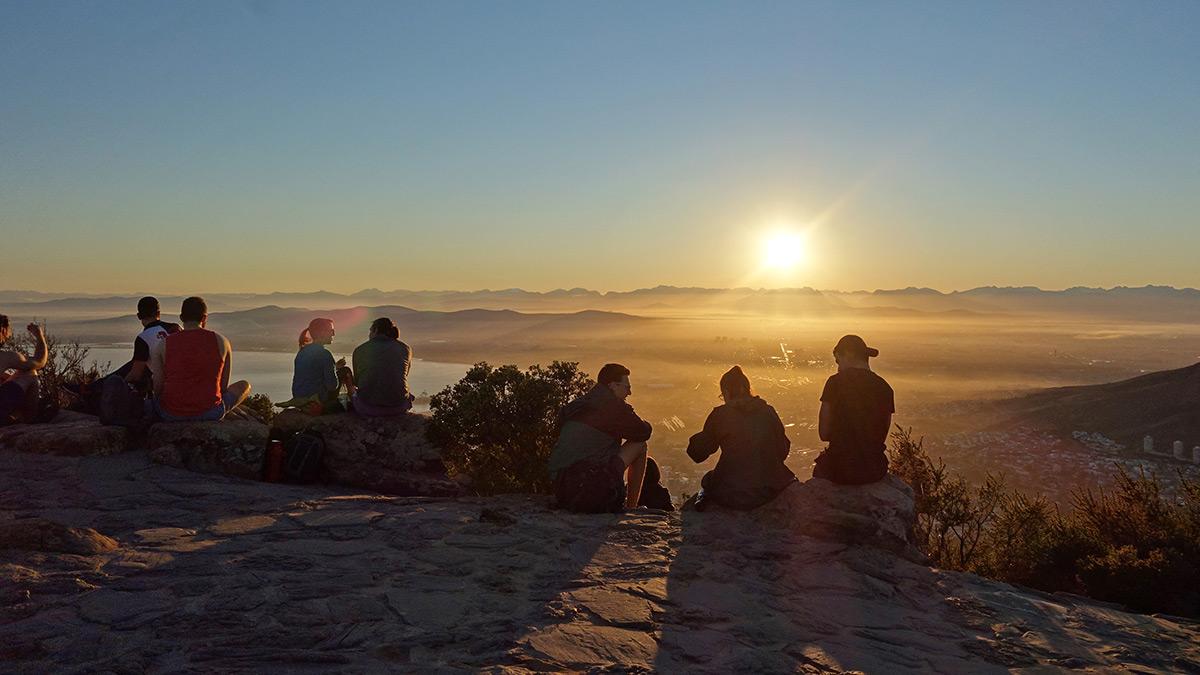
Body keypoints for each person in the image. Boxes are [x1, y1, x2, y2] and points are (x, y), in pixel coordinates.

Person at [685, 365, 796, 510]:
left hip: (731, 491)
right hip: (768, 489)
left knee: (709, 480)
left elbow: (697, 454)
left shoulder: (721, 415)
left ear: (726, 392)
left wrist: (701, 436)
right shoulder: (768, 412)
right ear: (748, 389)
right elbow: (782, 450)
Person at [548, 363, 652, 513]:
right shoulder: (612, 407)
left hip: (561, 487)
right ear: (613, 385)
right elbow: (643, 432)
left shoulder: (577, 404)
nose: (629, 392)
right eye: (626, 387)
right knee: (640, 445)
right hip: (590, 488)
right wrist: (644, 422)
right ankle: (632, 507)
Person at [149, 297, 252, 422]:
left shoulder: (163, 344)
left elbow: (158, 385)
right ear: (204, 318)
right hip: (211, 413)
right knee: (244, 385)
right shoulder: (222, 342)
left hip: (170, 413)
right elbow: (223, 387)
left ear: (181, 318)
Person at [813, 334, 894, 485]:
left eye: (838, 360)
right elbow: (881, 435)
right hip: (874, 469)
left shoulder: (834, 383)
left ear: (848, 354)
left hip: (838, 469)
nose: (838, 367)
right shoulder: (885, 388)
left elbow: (824, 433)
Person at [114, 296, 181, 393]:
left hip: (165, 389)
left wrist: (121, 385)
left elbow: (136, 374)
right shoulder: (176, 328)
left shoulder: (143, 338)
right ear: (158, 313)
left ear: (139, 316)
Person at [349, 318, 413, 417]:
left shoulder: (360, 350)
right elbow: (404, 374)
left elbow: (357, 382)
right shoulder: (405, 348)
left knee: (351, 387)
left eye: (370, 331)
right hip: (399, 407)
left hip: (367, 407)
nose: (369, 335)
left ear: (376, 330)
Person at [286, 318, 352, 413]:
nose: (334, 334)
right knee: (346, 371)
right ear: (322, 333)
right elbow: (332, 386)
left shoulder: (302, 352)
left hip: (300, 399)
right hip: (316, 402)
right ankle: (355, 399)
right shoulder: (325, 354)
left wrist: (335, 367)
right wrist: (335, 371)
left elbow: (312, 373)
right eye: (331, 331)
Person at [0, 315, 47, 426]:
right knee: (30, 373)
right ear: (3, 331)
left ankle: (14, 417)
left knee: (7, 377)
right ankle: (29, 420)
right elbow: (40, 361)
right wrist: (39, 336)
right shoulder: (6, 357)